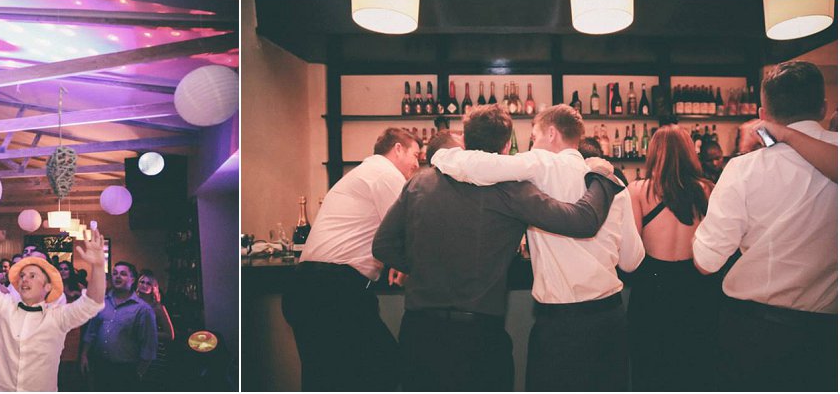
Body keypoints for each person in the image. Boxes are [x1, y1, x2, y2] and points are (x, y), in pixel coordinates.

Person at [373, 104, 625, 391]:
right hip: (477, 336)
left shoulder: (420, 181)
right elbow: (581, 221)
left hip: (419, 330)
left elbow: (383, 245)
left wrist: (421, 268)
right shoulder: (513, 189)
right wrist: (604, 179)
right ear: (506, 147)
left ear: (465, 140)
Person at [693, 61, 837, 391]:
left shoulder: (743, 170)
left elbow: (707, 261)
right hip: (829, 334)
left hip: (755, 332)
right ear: (823, 107)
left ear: (762, 114)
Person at [281, 127, 421, 391]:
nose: (417, 163)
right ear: (397, 149)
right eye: (415, 155)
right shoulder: (385, 173)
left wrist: (396, 260)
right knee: (387, 371)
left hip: (308, 287)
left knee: (325, 380)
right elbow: (408, 230)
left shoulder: (362, 173)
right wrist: (404, 262)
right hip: (333, 291)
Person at [0, 203, 106, 391]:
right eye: (22, 275)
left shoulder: (57, 317)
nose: (24, 279)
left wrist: (98, 266)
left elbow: (92, 303)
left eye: (32, 275)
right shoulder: (4, 306)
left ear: (47, 286)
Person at [624, 126, 717, 391]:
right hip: (695, 284)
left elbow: (631, 249)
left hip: (652, 285)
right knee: (693, 367)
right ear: (689, 152)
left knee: (650, 368)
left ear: (653, 153)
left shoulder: (638, 190)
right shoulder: (706, 190)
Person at [81, 261, 158, 392]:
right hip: (99, 366)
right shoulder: (102, 302)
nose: (117, 276)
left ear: (132, 279)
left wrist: (139, 373)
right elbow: (91, 331)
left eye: (123, 274)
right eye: (115, 273)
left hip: (125, 371)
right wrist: (84, 355)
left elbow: (149, 345)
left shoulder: (143, 309)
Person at [136, 270, 176, 389]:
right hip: (136, 351)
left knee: (149, 385)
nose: (144, 285)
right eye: (142, 282)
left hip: (155, 354)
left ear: (153, 288)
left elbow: (170, 335)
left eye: (148, 283)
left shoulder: (158, 308)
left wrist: (148, 333)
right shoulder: (133, 305)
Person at [58, 275, 90, 392]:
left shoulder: (77, 286)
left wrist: (76, 294)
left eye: (66, 269)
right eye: (61, 268)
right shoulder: (54, 285)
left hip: (74, 327)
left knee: (70, 364)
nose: (63, 271)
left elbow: (87, 300)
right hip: (59, 325)